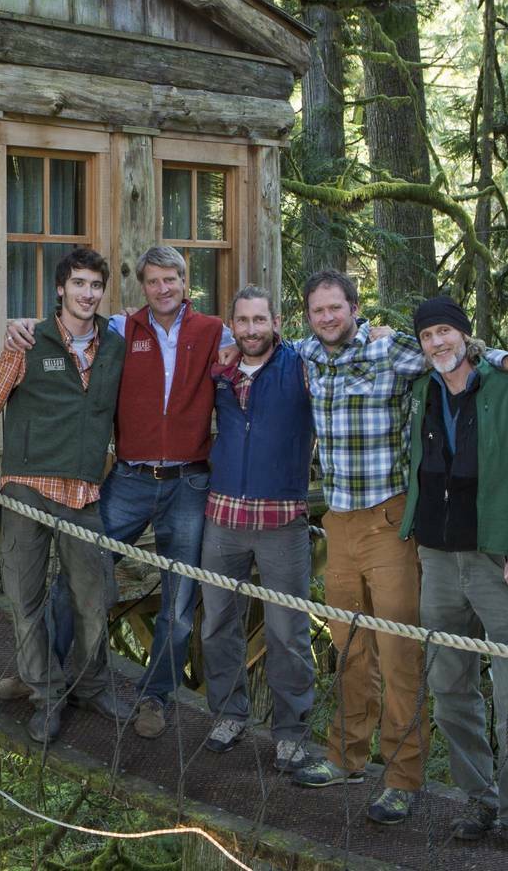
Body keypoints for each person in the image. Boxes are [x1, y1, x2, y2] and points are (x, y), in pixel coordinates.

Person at [285, 270, 508, 828]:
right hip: (339, 523)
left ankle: (401, 776)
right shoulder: (305, 353)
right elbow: (253, 343)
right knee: (348, 645)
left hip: (392, 520)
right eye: (317, 310)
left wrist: (506, 359)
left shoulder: (394, 348)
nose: (327, 318)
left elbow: (452, 351)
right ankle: (347, 755)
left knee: (400, 652)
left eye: (336, 308)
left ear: (355, 307)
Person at [0, 247, 225, 739]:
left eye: (172, 280)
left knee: (179, 600)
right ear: (142, 286)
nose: (163, 289)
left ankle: (154, 697)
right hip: (129, 478)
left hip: (189, 482)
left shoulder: (214, 332)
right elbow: (66, 331)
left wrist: (377, 334)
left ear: (186, 282)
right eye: (153, 281)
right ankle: (41, 675)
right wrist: (20, 326)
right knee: (79, 578)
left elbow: (260, 344)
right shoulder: (122, 330)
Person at [404, 296, 508, 860]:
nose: (436, 343)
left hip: (499, 565)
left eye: (445, 332)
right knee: (450, 691)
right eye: (427, 336)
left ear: (466, 338)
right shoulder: (421, 390)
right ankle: (479, 800)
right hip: (437, 561)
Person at [0, 247, 128, 744]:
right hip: (26, 490)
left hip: (84, 493)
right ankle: (45, 695)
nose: (87, 293)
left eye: (95, 286)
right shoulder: (27, 343)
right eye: (78, 284)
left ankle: (90, 685)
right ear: (61, 289)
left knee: (95, 596)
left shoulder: (115, 347)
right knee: (24, 597)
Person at [192, 285, 324, 776]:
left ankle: (291, 734)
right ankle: (228, 715)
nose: (251, 330)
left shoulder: (300, 365)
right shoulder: (221, 369)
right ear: (232, 323)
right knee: (217, 625)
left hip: (282, 522)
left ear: (277, 321)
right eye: (242, 321)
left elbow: (348, 346)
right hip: (222, 518)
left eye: (259, 320)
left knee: (287, 633)